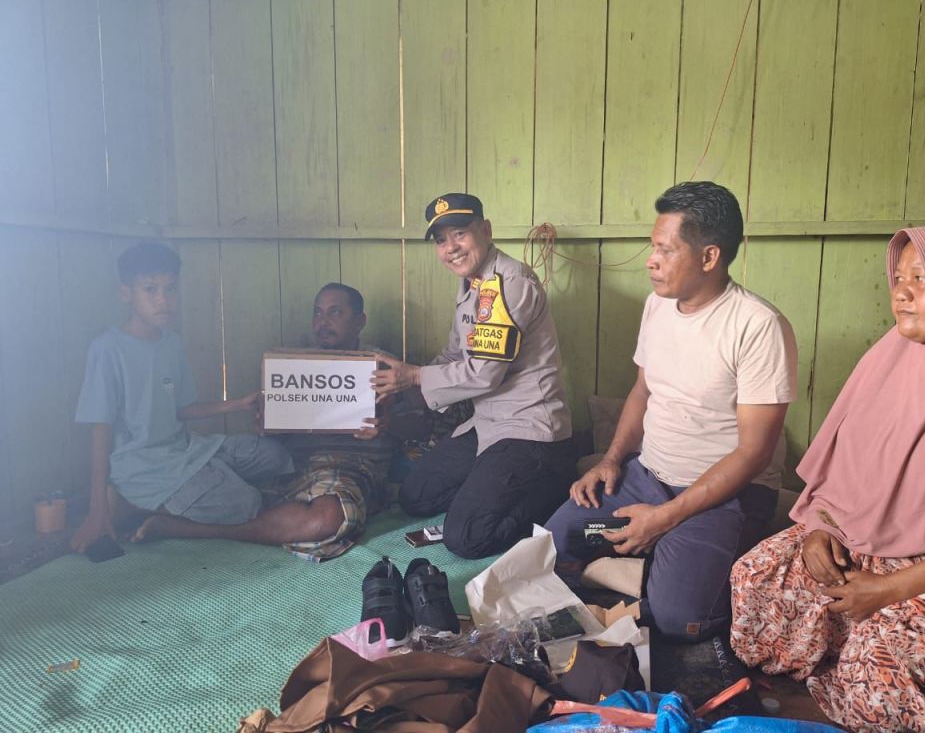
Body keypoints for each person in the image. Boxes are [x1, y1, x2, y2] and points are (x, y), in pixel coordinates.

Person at [730, 221, 925, 733]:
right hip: (867, 545)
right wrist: (818, 531)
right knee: (758, 578)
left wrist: (888, 589)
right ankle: (840, 669)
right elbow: (840, 476)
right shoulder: (888, 360)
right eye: (899, 277)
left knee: (885, 677)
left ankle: (869, 678)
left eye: (923, 279)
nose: (902, 292)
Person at [544, 181, 797, 641]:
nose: (651, 260)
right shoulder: (656, 306)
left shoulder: (758, 326)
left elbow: (754, 454)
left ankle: (659, 565)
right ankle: (653, 562)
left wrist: (666, 517)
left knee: (680, 620)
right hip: (647, 477)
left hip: (723, 495)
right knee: (550, 547)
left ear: (709, 257)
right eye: (653, 247)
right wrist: (611, 460)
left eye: (665, 249)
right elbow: (642, 390)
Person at [130, 281, 402, 558]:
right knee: (207, 466)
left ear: (359, 321)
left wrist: (387, 424)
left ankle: (191, 529)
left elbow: (418, 426)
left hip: (349, 468)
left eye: (335, 313)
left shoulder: (383, 365)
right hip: (290, 464)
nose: (323, 322)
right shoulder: (294, 362)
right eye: (317, 313)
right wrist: (268, 424)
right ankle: (136, 505)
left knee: (329, 517)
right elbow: (275, 431)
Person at [371, 192, 575, 559]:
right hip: (486, 424)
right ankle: (490, 484)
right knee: (416, 496)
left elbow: (484, 374)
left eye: (459, 234)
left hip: (527, 430)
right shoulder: (472, 285)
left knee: (466, 537)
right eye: (440, 240)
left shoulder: (510, 283)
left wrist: (414, 376)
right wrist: (398, 389)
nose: (450, 248)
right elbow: (453, 355)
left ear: (486, 230)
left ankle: (553, 485)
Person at [71, 242, 294, 553]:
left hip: (188, 450)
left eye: (170, 289)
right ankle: (135, 505)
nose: (163, 300)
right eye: (150, 289)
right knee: (247, 504)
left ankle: (200, 485)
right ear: (126, 293)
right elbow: (100, 430)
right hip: (146, 468)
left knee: (276, 457)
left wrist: (238, 404)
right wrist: (97, 509)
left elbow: (183, 409)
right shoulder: (108, 349)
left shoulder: (172, 344)